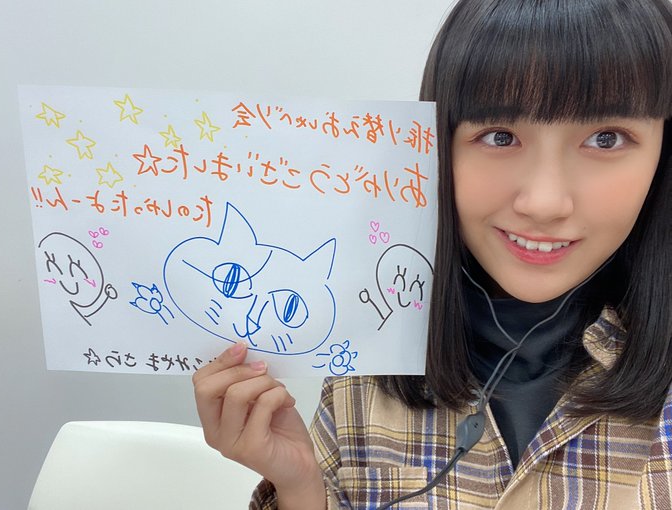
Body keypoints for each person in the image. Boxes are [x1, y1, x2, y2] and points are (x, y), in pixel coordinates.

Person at [192, 0, 672, 507]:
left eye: (605, 139)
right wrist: (299, 486)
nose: (544, 202)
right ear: (438, 147)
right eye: (500, 136)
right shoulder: (371, 357)